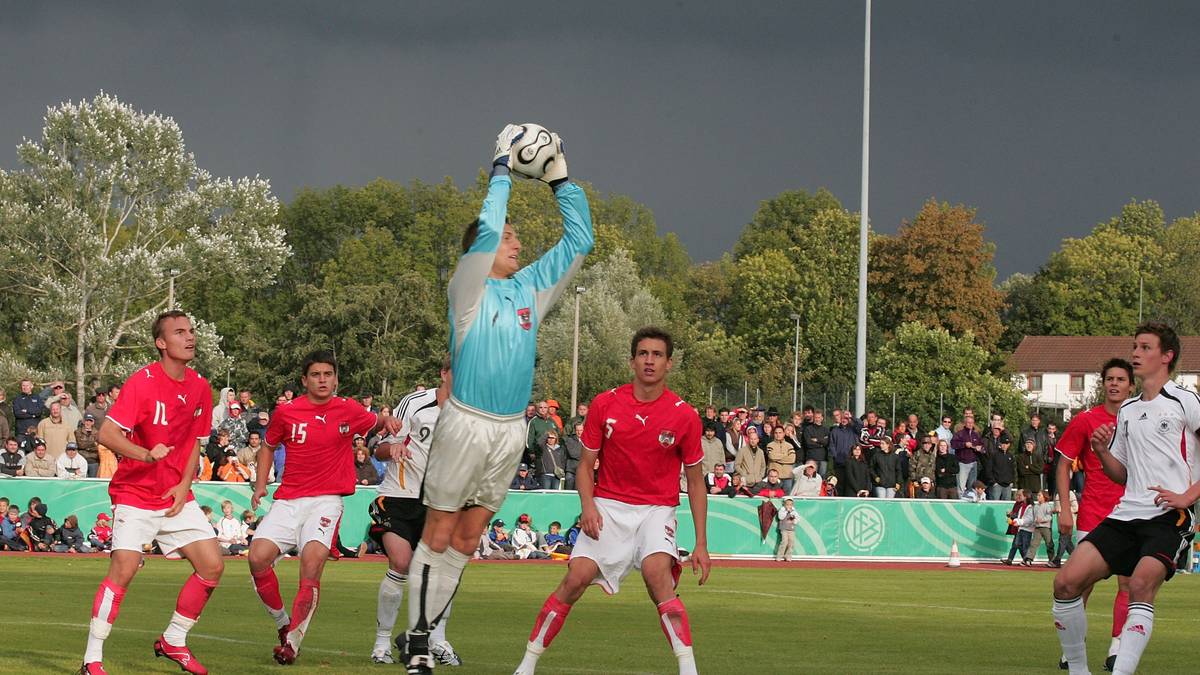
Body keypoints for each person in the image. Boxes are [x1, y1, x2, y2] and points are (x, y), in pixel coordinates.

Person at [403, 124, 592, 675]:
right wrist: (502, 170)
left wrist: (560, 181)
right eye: (510, 236)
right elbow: (486, 231)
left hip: (510, 430)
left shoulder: (531, 287)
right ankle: (417, 642)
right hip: (465, 422)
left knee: (467, 537)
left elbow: (579, 242)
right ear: (480, 252)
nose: (516, 243)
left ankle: (426, 631)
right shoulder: (466, 289)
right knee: (438, 532)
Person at [513, 327, 709, 675]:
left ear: (669, 363)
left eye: (657, 355)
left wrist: (702, 543)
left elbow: (695, 482)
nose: (649, 360)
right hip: (608, 506)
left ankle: (689, 669)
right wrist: (588, 506)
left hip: (656, 509)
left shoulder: (684, 415)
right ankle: (526, 665)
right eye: (643, 353)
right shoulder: (606, 403)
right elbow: (585, 466)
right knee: (575, 579)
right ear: (633, 360)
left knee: (656, 576)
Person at [1052, 323, 1200, 675]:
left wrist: (1187, 497)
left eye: (1145, 347)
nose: (1136, 352)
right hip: (1124, 515)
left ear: (1167, 357)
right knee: (1065, 583)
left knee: (1139, 584)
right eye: (1135, 346)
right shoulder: (1129, 410)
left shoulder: (1185, 400)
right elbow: (1121, 473)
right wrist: (1102, 450)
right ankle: (1078, 670)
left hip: (1168, 516)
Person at [80, 310, 222, 675]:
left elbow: (195, 444)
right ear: (161, 343)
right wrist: (145, 454)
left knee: (212, 565)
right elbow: (107, 435)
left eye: (191, 331)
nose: (189, 337)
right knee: (124, 569)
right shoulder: (142, 382)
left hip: (175, 495)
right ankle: (91, 660)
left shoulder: (201, 387)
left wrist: (184, 487)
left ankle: (173, 640)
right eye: (179, 332)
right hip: (136, 493)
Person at [247, 350, 400, 665]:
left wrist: (388, 420)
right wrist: (261, 484)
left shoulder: (348, 409)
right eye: (316, 375)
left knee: (311, 564)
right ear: (305, 380)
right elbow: (268, 446)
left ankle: (292, 644)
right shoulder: (287, 412)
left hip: (326, 500)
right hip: (288, 499)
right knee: (257, 558)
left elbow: (375, 421)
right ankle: (282, 625)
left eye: (328, 374)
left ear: (335, 378)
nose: (322, 380)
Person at [368, 359, 461, 666]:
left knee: (444, 573)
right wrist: (391, 450)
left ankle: (436, 640)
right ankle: (381, 643)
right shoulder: (415, 403)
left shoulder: (472, 414)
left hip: (441, 503)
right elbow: (379, 448)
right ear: (443, 374)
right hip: (399, 497)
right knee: (402, 562)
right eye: (456, 371)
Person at [1050, 357, 1135, 671]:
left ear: (1131, 385)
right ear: (1103, 384)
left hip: (1131, 514)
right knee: (1080, 584)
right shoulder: (1086, 420)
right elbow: (1062, 465)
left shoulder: (1139, 418)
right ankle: (1073, 648)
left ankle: (1116, 649)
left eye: (1120, 379)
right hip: (1093, 513)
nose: (1114, 384)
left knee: (1129, 584)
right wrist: (1064, 509)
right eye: (1109, 379)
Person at [1003, 489, 1033, 565]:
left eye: (1020, 495)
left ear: (1025, 497)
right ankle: (1019, 559)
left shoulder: (1028, 506)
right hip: (1019, 527)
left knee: (1020, 545)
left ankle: (1024, 559)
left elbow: (1023, 517)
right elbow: (1018, 515)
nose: (1018, 497)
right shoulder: (1019, 504)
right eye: (1017, 495)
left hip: (1024, 528)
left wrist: (1012, 516)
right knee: (1017, 544)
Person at [1025, 490, 1055, 566]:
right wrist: (1036, 521)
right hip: (1037, 528)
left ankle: (1052, 560)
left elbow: (1049, 516)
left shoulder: (1047, 505)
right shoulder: (1035, 506)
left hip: (1046, 528)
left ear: (1044, 497)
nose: (1037, 497)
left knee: (1049, 544)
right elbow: (1034, 517)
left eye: (1039, 495)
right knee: (1033, 543)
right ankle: (1029, 559)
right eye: (1037, 495)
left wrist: (1042, 520)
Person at [776, 497, 798, 561]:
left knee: (791, 542)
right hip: (784, 529)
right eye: (787, 504)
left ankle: (788, 556)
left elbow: (797, 518)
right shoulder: (782, 510)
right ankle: (779, 556)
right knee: (784, 542)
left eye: (790, 504)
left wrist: (794, 521)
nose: (789, 506)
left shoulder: (794, 511)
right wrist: (786, 511)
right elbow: (780, 517)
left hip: (791, 529)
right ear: (784, 504)